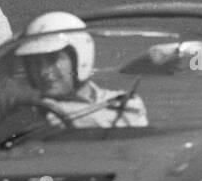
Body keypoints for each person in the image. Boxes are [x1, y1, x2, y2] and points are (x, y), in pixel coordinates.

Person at [15, 13, 147, 130]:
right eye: (35, 62)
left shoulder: (126, 102)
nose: (44, 71)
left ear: (79, 58)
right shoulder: (26, 114)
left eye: (52, 59)